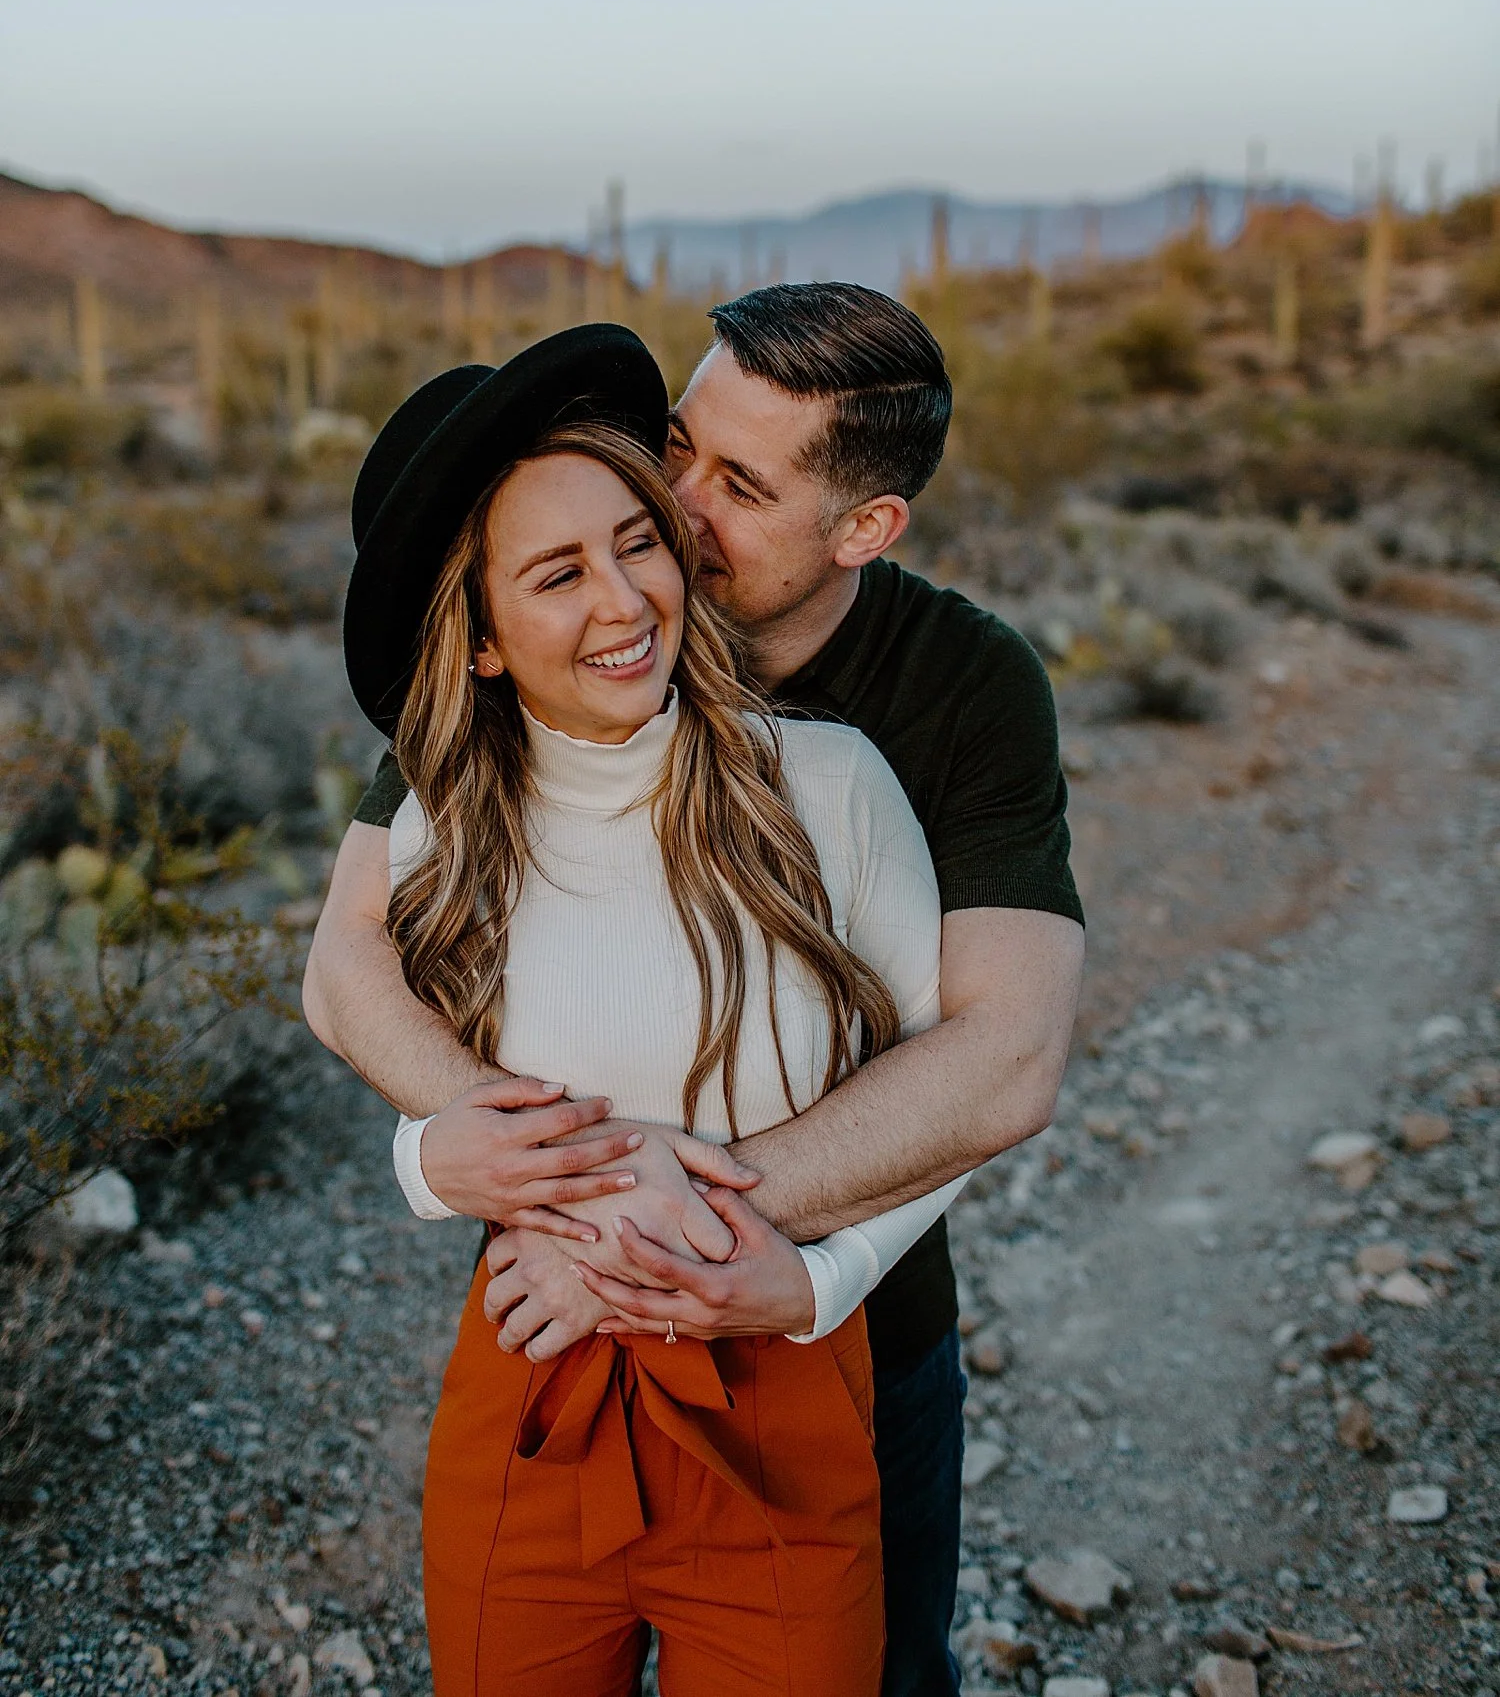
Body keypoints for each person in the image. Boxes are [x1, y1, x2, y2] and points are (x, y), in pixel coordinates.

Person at [305, 284, 1086, 1697]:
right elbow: (347, 951)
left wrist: (696, 1233)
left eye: (738, 484)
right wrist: (469, 1140)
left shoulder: (949, 695)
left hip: (835, 1307)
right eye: (674, 444)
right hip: (555, 1325)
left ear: (862, 528)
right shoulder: (551, 649)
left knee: (889, 1665)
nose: (670, 508)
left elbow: (1004, 1055)